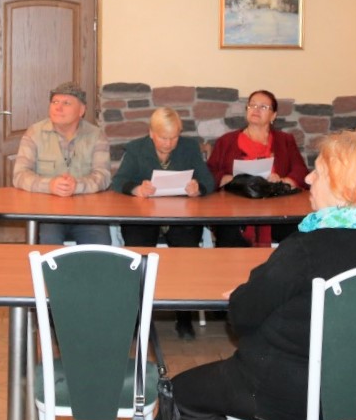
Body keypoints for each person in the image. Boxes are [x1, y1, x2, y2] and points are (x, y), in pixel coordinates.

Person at [174, 131, 356, 420]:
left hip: (282, 394)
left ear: (342, 186)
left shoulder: (306, 248)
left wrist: (242, 294)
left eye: (318, 172)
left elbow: (242, 317)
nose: (308, 179)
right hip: (353, 393)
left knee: (181, 392)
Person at [112, 107, 215, 339]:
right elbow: (118, 181)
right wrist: (136, 189)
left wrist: (198, 188)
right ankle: (137, 319)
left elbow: (209, 180)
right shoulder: (136, 148)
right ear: (151, 133)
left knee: (186, 255)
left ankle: (184, 318)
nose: (169, 143)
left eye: (174, 137)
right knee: (138, 257)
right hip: (144, 217)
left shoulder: (189, 147)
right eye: (163, 137)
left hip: (180, 217)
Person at [12, 81, 112, 245]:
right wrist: (49, 185)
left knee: (99, 247)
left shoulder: (96, 135)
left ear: (81, 110)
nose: (58, 108)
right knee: (48, 244)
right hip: (46, 213)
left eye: (66, 103)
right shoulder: (34, 133)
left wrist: (77, 186)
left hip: (87, 213)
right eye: (55, 102)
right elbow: (20, 175)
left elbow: (104, 176)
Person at [206, 89, 308, 246]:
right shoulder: (226, 141)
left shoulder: (285, 140)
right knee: (228, 234)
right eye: (252, 105)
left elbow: (300, 171)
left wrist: (283, 181)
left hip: (276, 208)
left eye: (263, 107)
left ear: (273, 116)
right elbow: (209, 172)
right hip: (234, 208)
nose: (256, 109)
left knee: (297, 233)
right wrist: (226, 179)